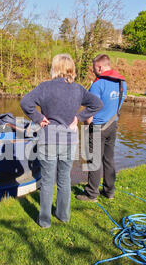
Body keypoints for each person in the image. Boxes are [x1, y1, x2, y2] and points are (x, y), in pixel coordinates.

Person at [20, 54, 103, 229]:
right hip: (69, 140)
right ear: (71, 68)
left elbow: (25, 102)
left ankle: (44, 221)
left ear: (55, 68)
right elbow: (97, 104)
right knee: (65, 178)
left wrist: (38, 117)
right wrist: (78, 118)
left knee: (48, 180)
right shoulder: (78, 89)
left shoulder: (45, 87)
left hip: (49, 139)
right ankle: (63, 216)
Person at [77, 54, 127, 202]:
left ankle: (92, 193)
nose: (93, 71)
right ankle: (109, 191)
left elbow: (89, 111)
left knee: (94, 160)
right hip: (113, 125)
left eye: (94, 68)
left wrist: (87, 127)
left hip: (98, 127)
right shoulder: (122, 83)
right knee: (109, 159)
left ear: (99, 67)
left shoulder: (98, 84)